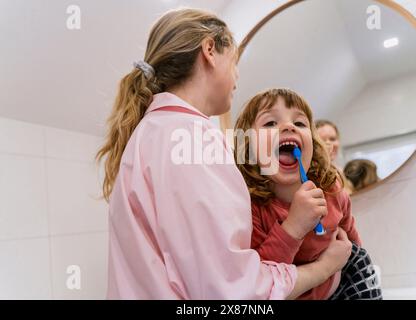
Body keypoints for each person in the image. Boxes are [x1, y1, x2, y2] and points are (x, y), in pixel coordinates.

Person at [96, 8, 350, 299]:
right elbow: (232, 294)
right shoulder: (192, 141)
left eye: (300, 122)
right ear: (210, 51)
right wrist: (326, 267)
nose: (237, 76)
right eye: (235, 61)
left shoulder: (147, 134)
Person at [234, 88, 382, 300]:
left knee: (359, 257)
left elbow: (350, 237)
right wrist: (294, 226)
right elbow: (262, 279)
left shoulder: (331, 188)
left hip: (339, 283)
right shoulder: (251, 207)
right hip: (290, 294)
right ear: (248, 148)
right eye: (270, 123)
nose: (288, 126)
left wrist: (353, 252)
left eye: (300, 123)